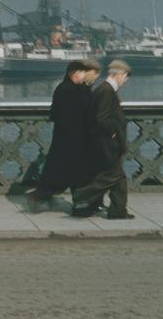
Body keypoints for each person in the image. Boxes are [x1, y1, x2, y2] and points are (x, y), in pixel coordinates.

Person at [27, 58, 101, 211]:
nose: (84, 75)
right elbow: (65, 115)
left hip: (73, 139)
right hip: (70, 139)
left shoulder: (76, 88)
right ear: (74, 74)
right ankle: (45, 197)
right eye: (81, 72)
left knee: (72, 173)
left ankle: (80, 203)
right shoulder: (66, 90)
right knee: (66, 173)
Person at [71, 59, 133, 219]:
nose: (125, 81)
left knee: (118, 177)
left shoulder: (103, 90)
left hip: (106, 141)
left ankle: (118, 211)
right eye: (125, 77)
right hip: (108, 142)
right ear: (119, 74)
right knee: (113, 176)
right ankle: (83, 194)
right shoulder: (106, 91)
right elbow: (101, 118)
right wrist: (113, 133)